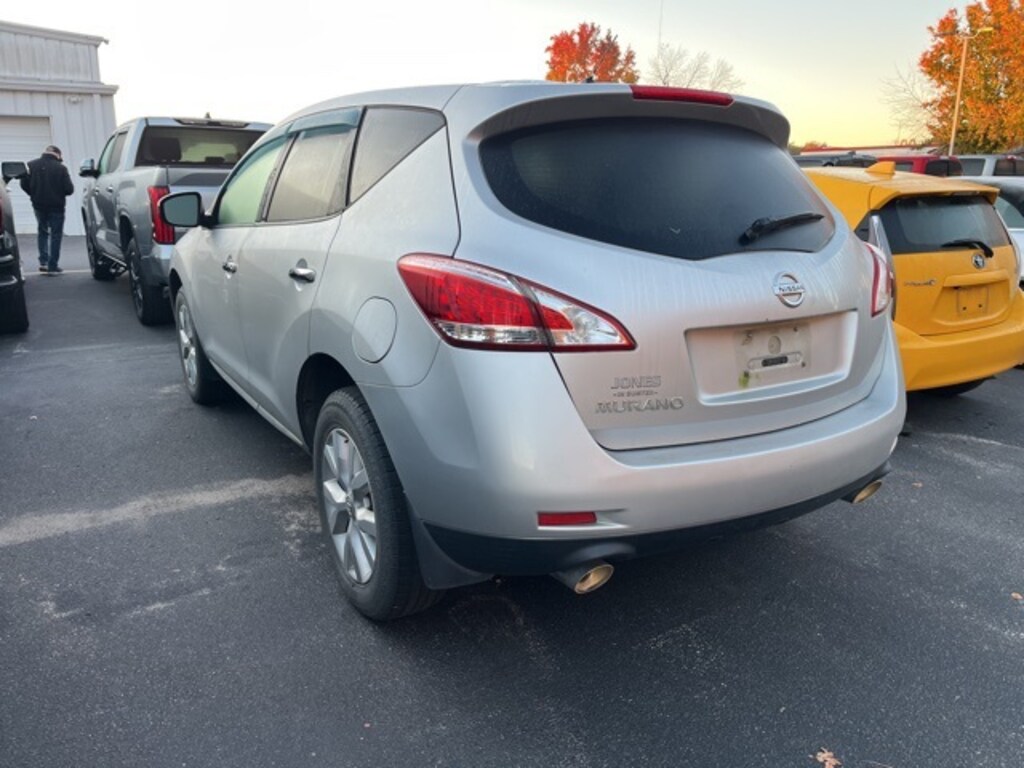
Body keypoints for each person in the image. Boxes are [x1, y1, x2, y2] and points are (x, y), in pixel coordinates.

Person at [20, 145, 74, 275]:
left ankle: (43, 261)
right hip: (56, 206)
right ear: (57, 154)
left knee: (42, 231)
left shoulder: (31, 165)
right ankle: (52, 265)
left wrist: (33, 194)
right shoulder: (61, 168)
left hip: (38, 205)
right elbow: (69, 189)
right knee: (56, 235)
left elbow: (23, 184)